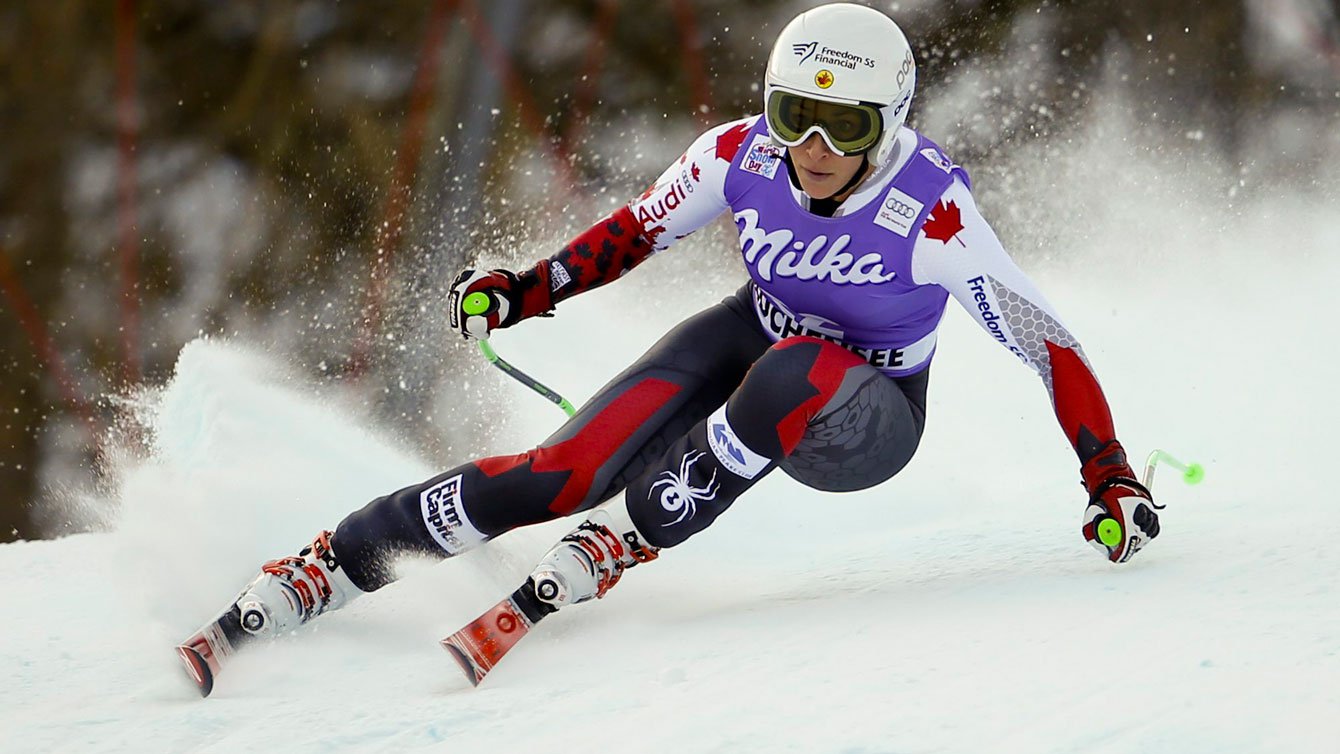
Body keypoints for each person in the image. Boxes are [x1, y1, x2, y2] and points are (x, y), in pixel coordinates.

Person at [192, 2, 1160, 662]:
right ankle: (329, 562)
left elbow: (1046, 342)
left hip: (864, 415)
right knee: (557, 472)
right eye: (795, 117)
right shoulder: (737, 156)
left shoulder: (931, 208)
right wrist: (524, 289)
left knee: (798, 363)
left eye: (843, 128)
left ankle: (627, 535)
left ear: (891, 121)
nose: (813, 151)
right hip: (752, 340)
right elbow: (634, 233)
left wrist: (1106, 474)